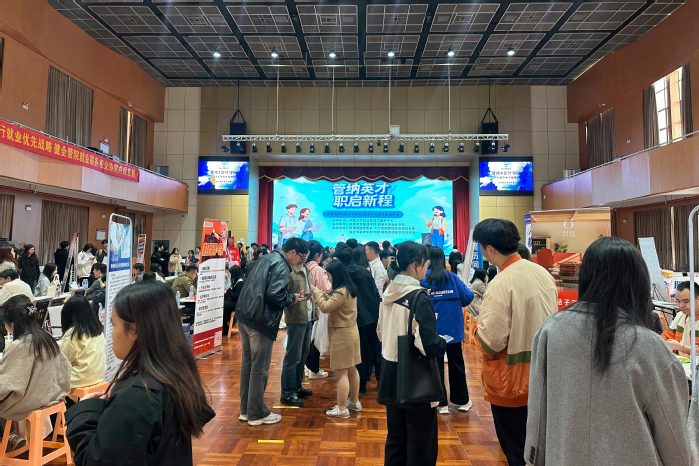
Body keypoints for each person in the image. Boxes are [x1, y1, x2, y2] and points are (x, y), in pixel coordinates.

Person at [525, 236, 691, 466]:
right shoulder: (649, 346)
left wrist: (533, 458)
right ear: (638, 282)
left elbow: (538, 409)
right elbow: (673, 435)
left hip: (564, 457)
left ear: (586, 277)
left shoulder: (550, 331)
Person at [66, 281, 215, 465]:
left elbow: (96, 461)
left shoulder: (138, 396)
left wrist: (84, 411)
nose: (111, 333)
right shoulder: (173, 376)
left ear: (134, 330)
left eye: (113, 325)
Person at [472, 219, 557, 466]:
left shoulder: (501, 283)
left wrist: (476, 328)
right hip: (544, 376)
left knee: (516, 451)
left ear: (489, 249)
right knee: (539, 450)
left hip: (511, 382)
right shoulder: (541, 273)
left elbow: (491, 342)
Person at [377, 241, 447, 466]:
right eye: (425, 264)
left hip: (390, 371)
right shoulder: (418, 298)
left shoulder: (388, 293)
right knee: (421, 444)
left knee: (396, 440)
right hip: (416, 377)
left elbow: (380, 332)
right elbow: (427, 345)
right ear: (416, 264)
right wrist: (441, 342)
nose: (426, 269)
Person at [235, 238, 308, 426]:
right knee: (259, 367)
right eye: (301, 257)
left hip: (244, 314)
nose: (301, 262)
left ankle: (246, 410)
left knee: (248, 365)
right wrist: (291, 298)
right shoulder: (282, 265)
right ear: (292, 252)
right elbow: (275, 295)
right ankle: (257, 413)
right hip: (260, 320)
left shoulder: (267, 258)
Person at [0, 295, 71, 450]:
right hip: (49, 397)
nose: (5, 327)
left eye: (5, 324)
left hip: (27, 401)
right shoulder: (47, 339)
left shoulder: (20, 345)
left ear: (13, 323)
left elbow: (7, 385)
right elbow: (65, 370)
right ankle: (11, 437)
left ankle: (9, 437)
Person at [421, 247, 474, 414]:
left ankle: (441, 403)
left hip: (433, 329)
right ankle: (462, 401)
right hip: (453, 329)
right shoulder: (451, 277)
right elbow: (468, 297)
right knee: (456, 363)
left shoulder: (423, 279)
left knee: (435, 365)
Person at [312, 260, 362, 418]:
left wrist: (315, 291)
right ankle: (354, 401)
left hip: (342, 335)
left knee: (341, 373)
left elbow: (326, 307)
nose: (327, 277)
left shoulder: (341, 292)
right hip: (351, 332)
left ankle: (341, 408)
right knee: (352, 369)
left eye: (328, 274)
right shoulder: (349, 288)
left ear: (336, 274)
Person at [339, 245, 382, 394]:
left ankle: (361, 383)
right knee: (376, 349)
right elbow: (375, 293)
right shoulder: (365, 271)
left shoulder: (343, 274)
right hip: (373, 314)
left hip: (356, 317)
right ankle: (382, 382)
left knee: (360, 351)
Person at [280, 256, 317, 407]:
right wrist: (293, 299)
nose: (304, 256)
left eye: (306, 253)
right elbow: (282, 295)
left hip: (308, 317)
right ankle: (287, 392)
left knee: (303, 354)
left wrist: (315, 311)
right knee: (293, 356)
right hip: (296, 318)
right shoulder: (289, 271)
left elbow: (311, 293)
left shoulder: (307, 269)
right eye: (302, 254)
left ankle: (297, 386)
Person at [59, 296, 106, 389]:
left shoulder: (74, 333)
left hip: (78, 380)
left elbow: (61, 360)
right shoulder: (98, 329)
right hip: (98, 376)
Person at [304, 240, 330, 380]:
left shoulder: (305, 266)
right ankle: (313, 368)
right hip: (317, 307)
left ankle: (308, 366)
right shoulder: (317, 269)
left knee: (309, 338)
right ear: (318, 255)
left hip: (306, 306)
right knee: (315, 339)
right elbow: (324, 289)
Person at [662, 281, 699, 354]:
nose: (681, 305)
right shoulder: (680, 315)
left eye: (686, 301)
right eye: (678, 301)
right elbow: (666, 336)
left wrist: (681, 348)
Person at [223, 265, 244, 336]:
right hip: (237, 303)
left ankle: (225, 327)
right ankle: (225, 326)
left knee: (223, 305)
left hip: (239, 305)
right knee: (225, 303)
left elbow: (237, 296)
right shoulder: (240, 280)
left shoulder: (240, 282)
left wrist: (229, 290)